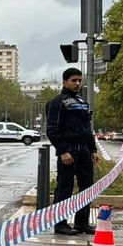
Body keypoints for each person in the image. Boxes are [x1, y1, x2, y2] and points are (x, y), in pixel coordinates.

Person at [45, 67, 99, 235]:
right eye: (73, 80)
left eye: (79, 80)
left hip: (84, 150)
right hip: (68, 150)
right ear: (65, 82)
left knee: (86, 187)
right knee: (64, 188)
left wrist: (93, 149)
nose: (77, 83)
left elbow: (87, 129)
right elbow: (52, 129)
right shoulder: (57, 102)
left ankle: (81, 223)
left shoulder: (82, 103)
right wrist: (63, 150)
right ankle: (60, 224)